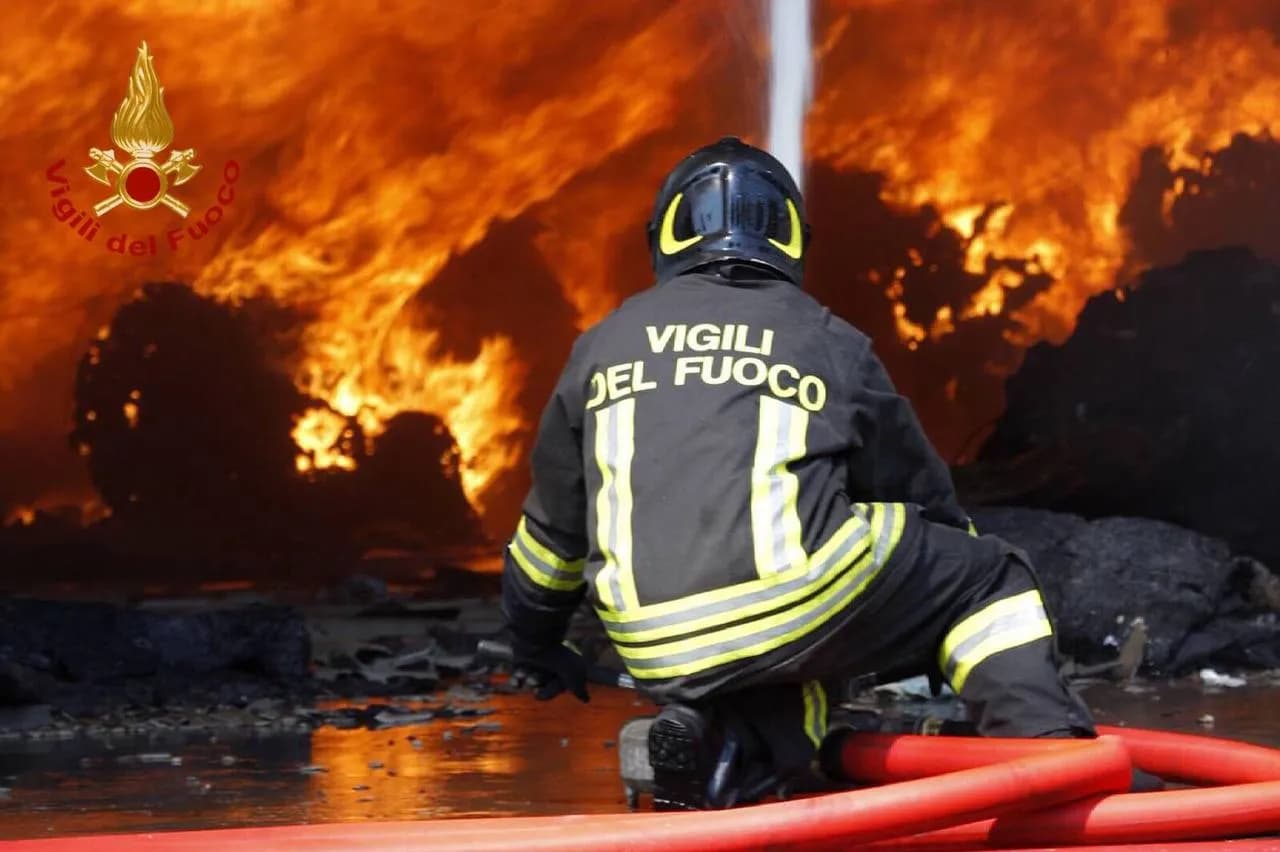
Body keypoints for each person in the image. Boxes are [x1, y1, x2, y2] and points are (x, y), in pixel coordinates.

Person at [499, 136, 1094, 799]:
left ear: (667, 234)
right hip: (797, 596)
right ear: (788, 237)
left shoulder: (600, 346)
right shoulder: (827, 338)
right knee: (985, 576)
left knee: (789, 644)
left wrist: (537, 647)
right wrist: (945, 593)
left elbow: (548, 543)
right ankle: (1054, 764)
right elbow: (917, 494)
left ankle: (721, 746)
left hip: (653, 642)